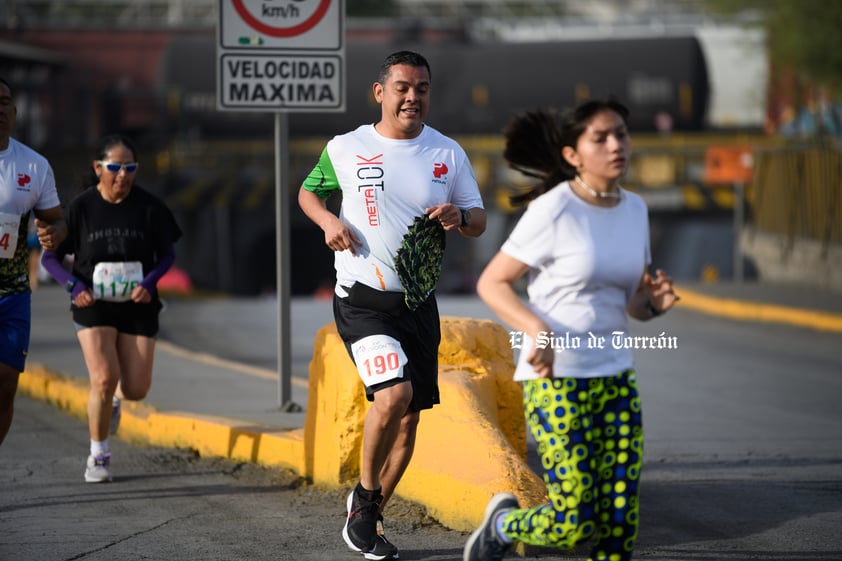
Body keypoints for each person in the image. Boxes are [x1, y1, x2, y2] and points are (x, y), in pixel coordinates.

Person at [465, 99, 679, 561]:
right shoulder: (553, 210)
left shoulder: (635, 210)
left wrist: (653, 305)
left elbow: (626, 303)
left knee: (619, 526)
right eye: (600, 137)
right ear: (573, 155)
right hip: (557, 382)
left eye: (621, 133)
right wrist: (536, 329)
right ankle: (503, 525)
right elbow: (493, 282)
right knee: (574, 521)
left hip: (617, 378)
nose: (615, 144)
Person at [298, 50, 486, 560]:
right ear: (380, 93)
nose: (413, 97)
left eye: (421, 88)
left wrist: (459, 216)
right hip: (363, 301)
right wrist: (328, 223)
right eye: (402, 87)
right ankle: (363, 498)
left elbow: (478, 219)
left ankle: (370, 515)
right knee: (394, 396)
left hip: (419, 305)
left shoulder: (447, 153)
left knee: (409, 421)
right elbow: (308, 194)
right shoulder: (346, 148)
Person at [41, 134, 182, 483]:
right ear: (98, 168)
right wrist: (74, 287)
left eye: (130, 168)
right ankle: (98, 455)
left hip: (138, 305)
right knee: (103, 378)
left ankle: (117, 400)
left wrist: (149, 283)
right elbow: (50, 257)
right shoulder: (80, 208)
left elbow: (168, 254)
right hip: (94, 304)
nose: (123, 175)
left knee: (135, 389)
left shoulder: (149, 207)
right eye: (115, 168)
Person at [0, 77, 67, 446]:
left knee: (6, 384)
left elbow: (55, 220)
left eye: (5, 102)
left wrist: (55, 233)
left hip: (12, 292)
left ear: (14, 111)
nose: (0, 109)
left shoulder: (34, 165)